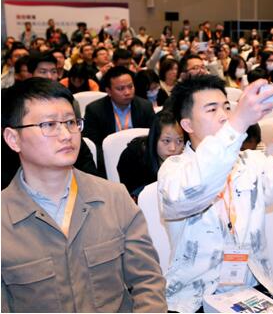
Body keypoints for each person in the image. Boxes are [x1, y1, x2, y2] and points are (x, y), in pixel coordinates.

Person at [1, 78, 167, 312]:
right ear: (13, 139)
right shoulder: (4, 218)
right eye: (49, 125)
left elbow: (148, 282)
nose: (66, 134)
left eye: (70, 122)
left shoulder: (114, 198)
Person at [158, 74, 273, 312]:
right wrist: (238, 124)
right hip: (193, 297)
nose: (224, 116)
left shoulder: (250, 161)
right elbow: (193, 190)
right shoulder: (174, 169)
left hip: (252, 287)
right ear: (187, 125)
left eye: (227, 107)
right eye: (212, 110)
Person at [83, 66, 156, 169]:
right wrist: (110, 163)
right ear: (108, 91)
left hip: (140, 160)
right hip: (107, 160)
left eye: (130, 86)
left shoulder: (145, 107)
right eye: (120, 89)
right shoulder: (95, 110)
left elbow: (153, 137)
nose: (127, 92)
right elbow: (93, 146)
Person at [117, 108, 185, 198]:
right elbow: (131, 196)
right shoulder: (133, 156)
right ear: (154, 139)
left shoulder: (187, 157)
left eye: (179, 141)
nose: (173, 148)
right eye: (166, 141)